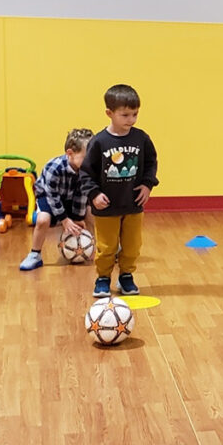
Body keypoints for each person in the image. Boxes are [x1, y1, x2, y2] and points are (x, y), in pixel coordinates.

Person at [80, 84, 158, 297]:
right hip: (106, 207)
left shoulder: (141, 138)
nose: (131, 120)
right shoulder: (99, 142)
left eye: (135, 114)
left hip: (133, 204)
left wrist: (148, 184)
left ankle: (126, 277)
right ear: (109, 113)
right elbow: (86, 173)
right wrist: (94, 194)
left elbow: (151, 162)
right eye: (125, 115)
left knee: (132, 246)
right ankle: (103, 278)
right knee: (106, 247)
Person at [19, 128, 95, 271]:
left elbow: (82, 194)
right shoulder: (53, 168)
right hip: (49, 196)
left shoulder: (87, 170)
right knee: (43, 220)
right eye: (86, 158)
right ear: (70, 154)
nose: (89, 163)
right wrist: (65, 220)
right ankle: (35, 254)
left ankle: (94, 247)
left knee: (91, 214)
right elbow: (52, 197)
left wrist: (78, 218)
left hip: (73, 197)